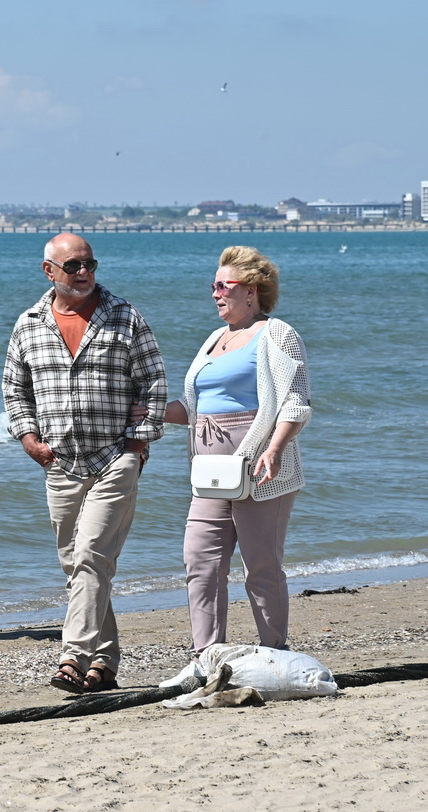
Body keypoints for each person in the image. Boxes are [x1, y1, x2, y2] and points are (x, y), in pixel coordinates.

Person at [2, 233, 167, 694]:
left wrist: (136, 444)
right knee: (77, 565)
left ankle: (72, 657)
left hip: (115, 457)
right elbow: (15, 389)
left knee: (91, 553)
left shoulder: (124, 316)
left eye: (89, 264)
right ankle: (105, 662)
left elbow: (154, 381)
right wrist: (29, 438)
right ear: (49, 271)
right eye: (73, 265)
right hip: (60, 461)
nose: (83, 273)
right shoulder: (29, 324)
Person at [164, 245, 311, 655]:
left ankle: (275, 653)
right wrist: (150, 410)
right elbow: (193, 409)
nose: (215, 293)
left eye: (223, 286)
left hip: (261, 468)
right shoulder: (214, 339)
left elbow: (296, 403)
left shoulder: (277, 334)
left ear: (251, 290)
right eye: (213, 286)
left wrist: (275, 448)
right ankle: (207, 655)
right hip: (210, 473)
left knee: (261, 566)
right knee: (200, 561)